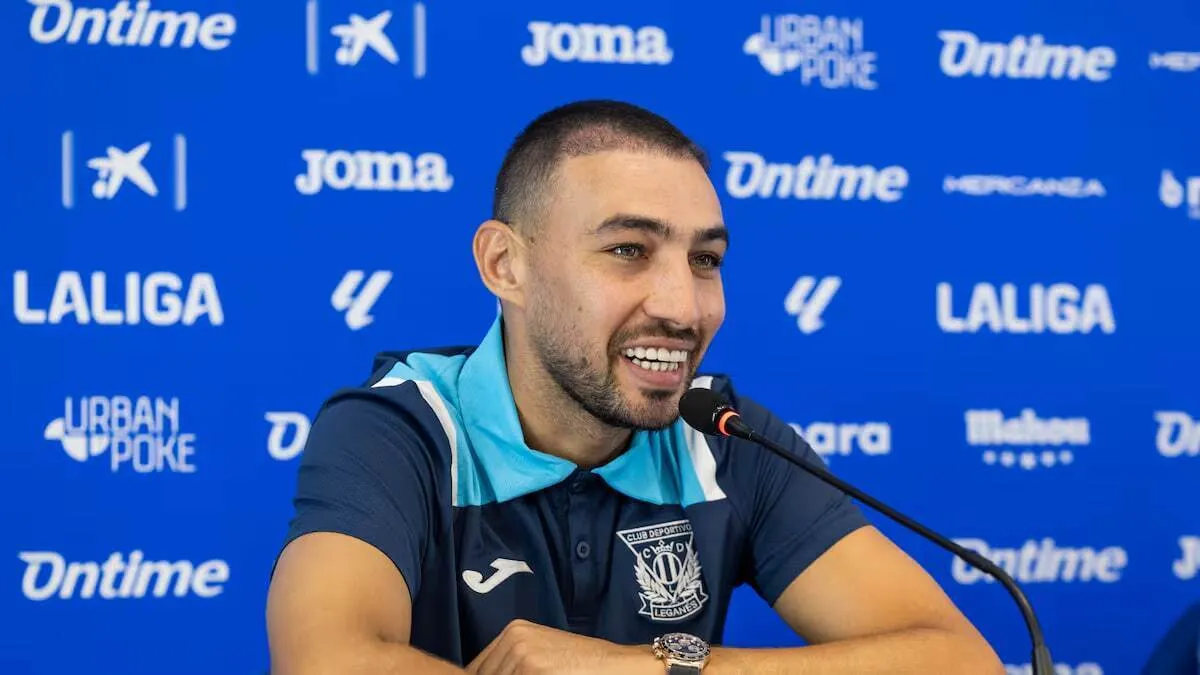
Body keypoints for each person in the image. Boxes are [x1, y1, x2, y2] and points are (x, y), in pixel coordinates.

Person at [265, 99, 1005, 675]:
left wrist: (655, 666)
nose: (684, 308)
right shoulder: (401, 427)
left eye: (705, 259)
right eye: (628, 249)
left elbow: (961, 660)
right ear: (504, 266)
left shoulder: (725, 437)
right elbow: (327, 662)